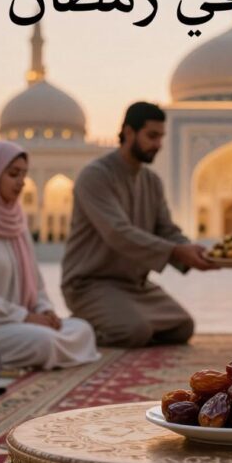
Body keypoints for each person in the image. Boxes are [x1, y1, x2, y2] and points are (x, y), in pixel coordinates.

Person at [61, 101, 216, 348]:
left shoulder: (151, 181)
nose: (158, 145)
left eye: (161, 137)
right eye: (152, 136)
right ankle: (74, 330)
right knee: (133, 331)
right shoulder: (96, 175)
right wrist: (176, 252)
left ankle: (115, 318)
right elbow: (117, 233)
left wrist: (194, 252)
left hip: (135, 286)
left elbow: (167, 230)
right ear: (129, 132)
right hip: (90, 284)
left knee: (182, 326)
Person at [0, 142, 100, 369]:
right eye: (13, 174)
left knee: (82, 329)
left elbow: (37, 281)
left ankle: (36, 349)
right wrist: (24, 317)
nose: (21, 182)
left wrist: (45, 310)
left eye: (24, 174)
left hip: (19, 322)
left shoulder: (16, 222)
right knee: (43, 342)